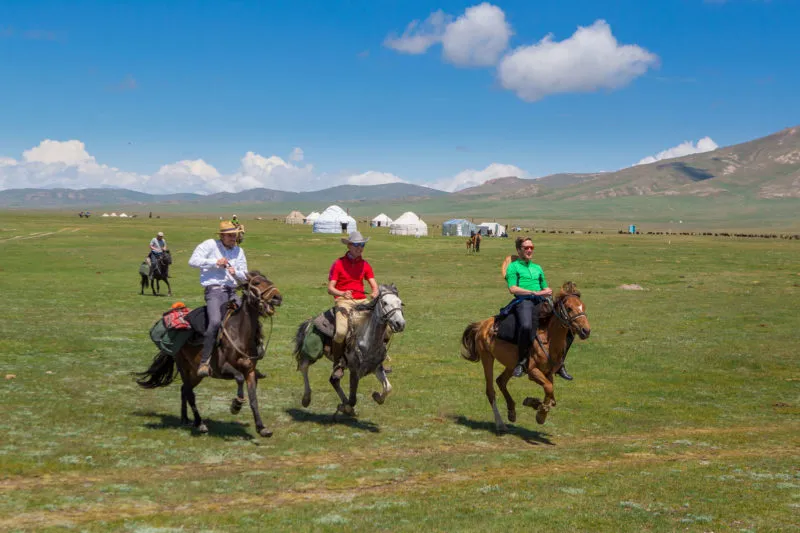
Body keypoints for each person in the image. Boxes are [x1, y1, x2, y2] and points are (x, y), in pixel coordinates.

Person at [188, 221, 248, 378]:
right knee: (215, 322)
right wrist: (214, 262)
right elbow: (193, 261)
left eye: (235, 235)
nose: (233, 238)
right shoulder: (210, 245)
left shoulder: (239, 251)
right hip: (215, 291)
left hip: (233, 291)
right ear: (221, 236)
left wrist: (237, 273)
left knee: (248, 318)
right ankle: (205, 361)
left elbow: (244, 274)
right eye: (230, 235)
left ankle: (252, 355)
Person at [504, 236, 566, 379]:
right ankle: (521, 361)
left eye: (532, 247)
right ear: (519, 250)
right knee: (526, 326)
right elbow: (513, 289)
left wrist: (547, 291)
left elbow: (545, 287)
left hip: (541, 302)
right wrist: (534, 293)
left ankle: (560, 364)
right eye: (526, 248)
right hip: (524, 302)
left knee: (566, 322)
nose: (530, 250)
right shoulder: (513, 267)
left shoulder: (537, 268)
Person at [327, 231, 378, 379]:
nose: (360, 248)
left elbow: (374, 284)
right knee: (341, 332)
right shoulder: (338, 263)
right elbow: (330, 288)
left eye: (362, 245)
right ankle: (338, 364)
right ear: (349, 246)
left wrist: (375, 291)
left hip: (362, 300)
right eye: (356, 245)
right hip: (343, 301)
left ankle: (378, 359)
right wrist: (342, 293)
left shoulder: (365, 265)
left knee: (383, 326)